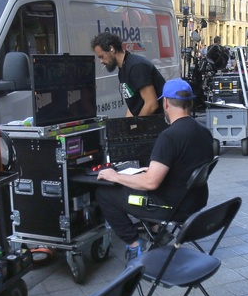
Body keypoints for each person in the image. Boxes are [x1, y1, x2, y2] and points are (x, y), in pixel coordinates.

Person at [95, 78, 214, 261]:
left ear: (165, 102)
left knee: (105, 193)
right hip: (195, 201)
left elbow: (151, 183)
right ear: (190, 102)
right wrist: (150, 170)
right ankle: (158, 231)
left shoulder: (169, 136)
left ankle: (135, 244)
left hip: (169, 207)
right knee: (140, 179)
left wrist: (116, 176)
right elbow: (184, 165)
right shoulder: (204, 131)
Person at [91, 32, 165, 117]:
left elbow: (151, 104)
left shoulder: (137, 66)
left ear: (112, 49)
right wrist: (127, 125)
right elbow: (133, 106)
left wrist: (136, 126)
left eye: (101, 56)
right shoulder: (123, 69)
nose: (101, 61)